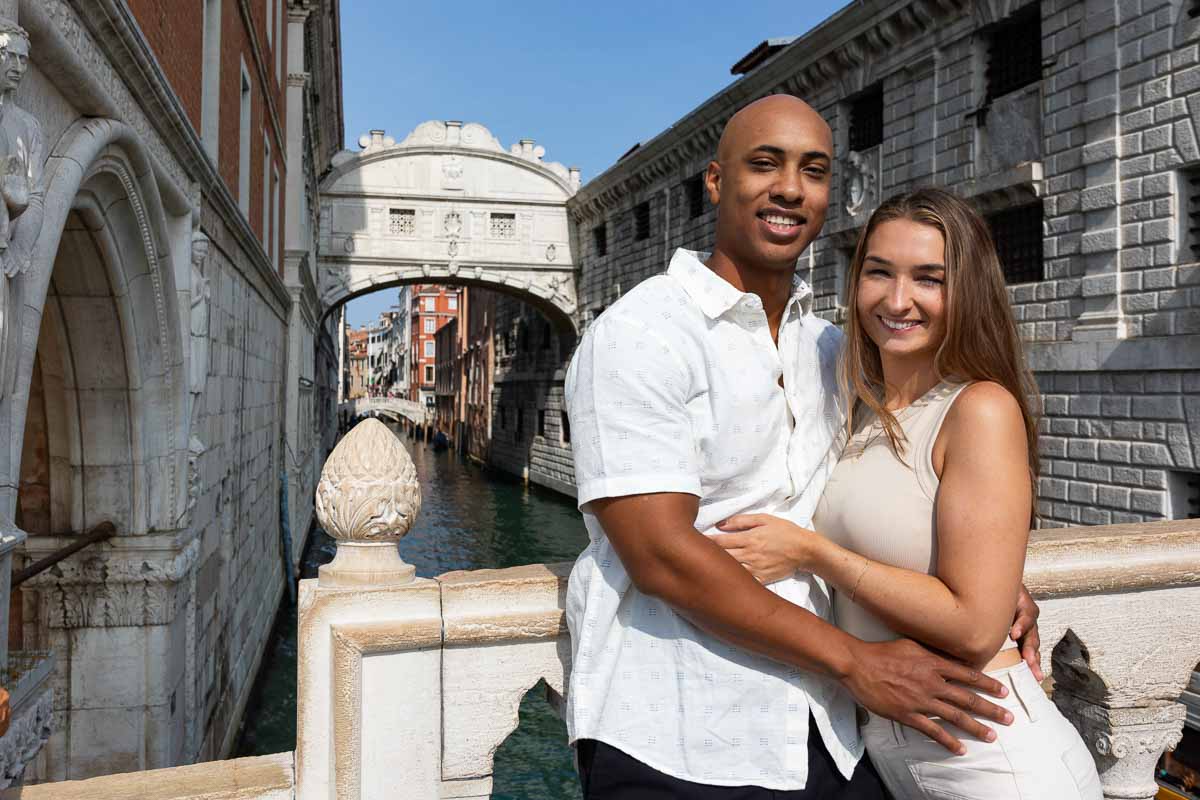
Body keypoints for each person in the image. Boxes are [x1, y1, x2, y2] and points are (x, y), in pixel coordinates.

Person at [563, 95, 1042, 799]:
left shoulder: (832, 348)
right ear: (717, 181)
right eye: (766, 164)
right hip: (679, 733)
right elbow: (661, 554)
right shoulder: (642, 334)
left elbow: (891, 492)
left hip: (835, 734)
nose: (790, 186)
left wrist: (984, 580)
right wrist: (854, 662)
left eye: (813, 170)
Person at [712, 188, 1102, 799]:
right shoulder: (859, 408)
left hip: (991, 758)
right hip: (900, 756)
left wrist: (813, 554)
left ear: (966, 291)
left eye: (929, 279)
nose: (897, 300)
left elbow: (975, 627)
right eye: (879, 272)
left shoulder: (980, 409)